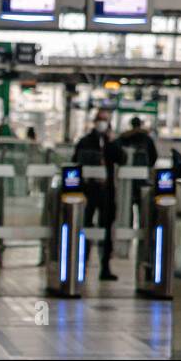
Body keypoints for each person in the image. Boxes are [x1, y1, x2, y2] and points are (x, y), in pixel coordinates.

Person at [72, 110, 126, 280]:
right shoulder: (85, 142)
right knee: (85, 226)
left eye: (105, 120)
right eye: (100, 120)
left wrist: (111, 141)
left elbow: (122, 158)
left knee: (106, 229)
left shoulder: (111, 143)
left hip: (107, 192)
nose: (102, 123)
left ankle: (105, 267)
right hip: (89, 191)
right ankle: (82, 262)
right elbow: (76, 162)